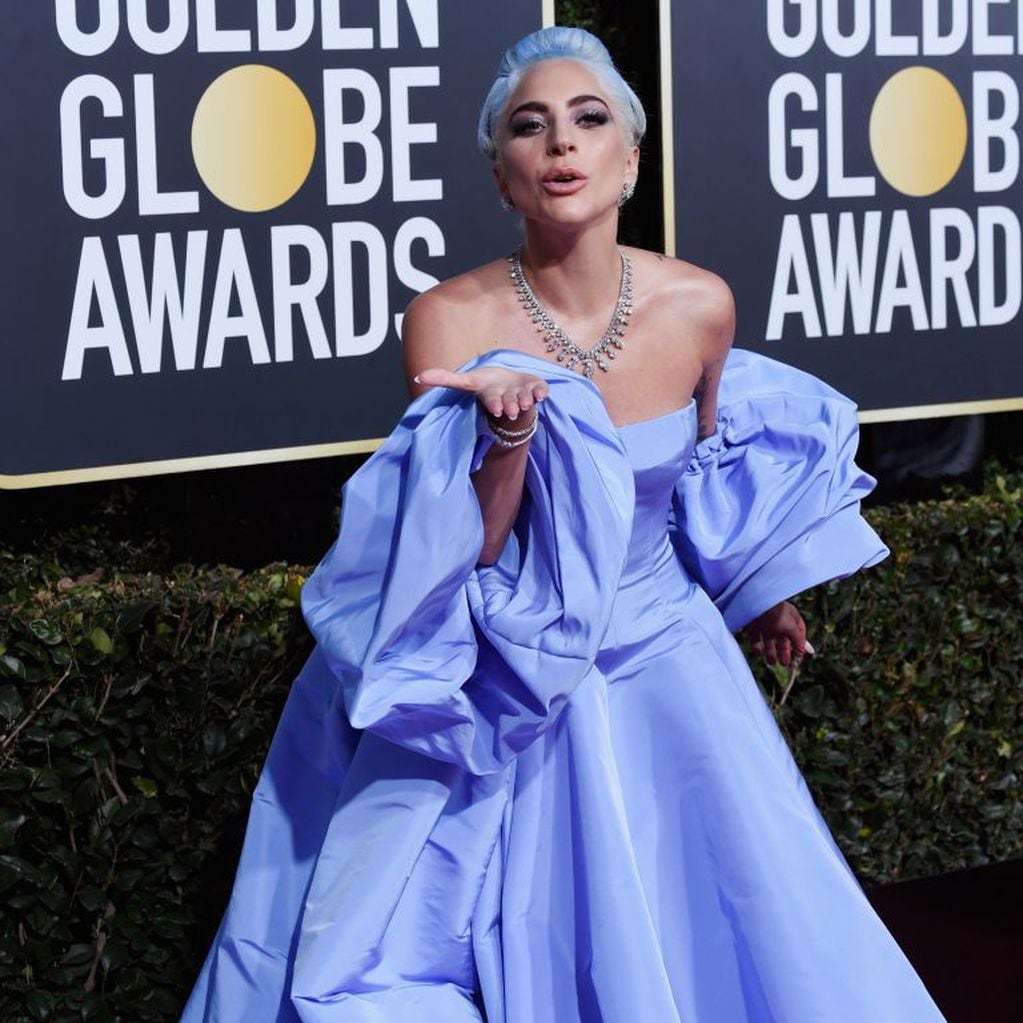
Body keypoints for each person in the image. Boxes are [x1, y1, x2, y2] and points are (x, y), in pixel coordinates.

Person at [182, 27, 946, 1023]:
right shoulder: (448, 320)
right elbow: (472, 549)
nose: (561, 145)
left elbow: (693, 477)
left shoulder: (699, 305)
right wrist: (505, 438)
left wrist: (763, 591)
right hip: (516, 673)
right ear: (502, 176)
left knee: (732, 918)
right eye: (528, 128)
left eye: (588, 121)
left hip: (668, 656)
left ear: (630, 159)